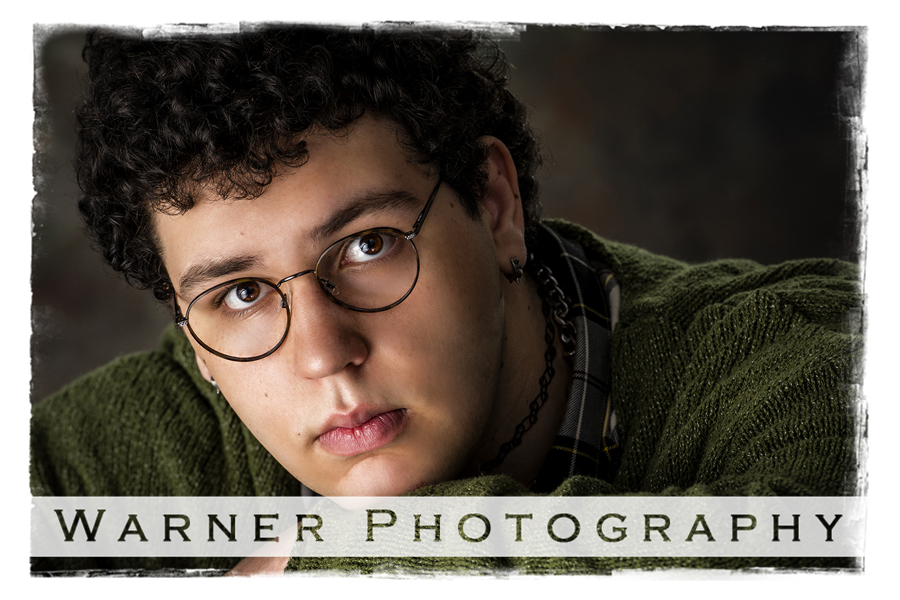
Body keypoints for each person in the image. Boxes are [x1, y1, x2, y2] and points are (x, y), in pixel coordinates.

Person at [30, 25, 863, 575]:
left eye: (369, 245)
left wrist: (328, 561)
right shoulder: (159, 425)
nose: (323, 352)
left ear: (494, 203)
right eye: (240, 292)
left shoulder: (820, 364)